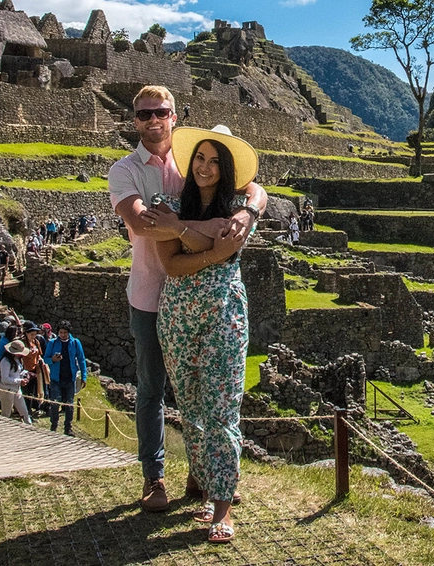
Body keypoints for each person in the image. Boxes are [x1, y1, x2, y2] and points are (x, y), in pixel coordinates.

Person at [108, 86, 266, 516]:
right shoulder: (124, 171)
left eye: (160, 112)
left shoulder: (196, 158)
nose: (152, 120)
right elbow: (144, 225)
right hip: (151, 293)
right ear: (134, 120)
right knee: (152, 387)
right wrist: (215, 235)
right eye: (144, 115)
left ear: (174, 116)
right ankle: (153, 476)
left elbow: (256, 189)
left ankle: (204, 476)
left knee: (205, 393)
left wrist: (246, 214)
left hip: (207, 300)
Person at [148, 124, 259, 543]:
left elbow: (240, 226)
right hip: (177, 317)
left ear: (226, 168)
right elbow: (171, 265)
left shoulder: (240, 209)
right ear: (189, 160)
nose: (205, 167)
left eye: (215, 161)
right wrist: (209, 246)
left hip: (224, 315)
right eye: (200, 158)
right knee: (191, 408)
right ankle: (207, 483)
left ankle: (223, 508)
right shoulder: (166, 204)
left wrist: (181, 230)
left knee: (223, 407)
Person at [45, 320, 88, 435]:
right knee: (55, 402)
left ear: (69, 332)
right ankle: (53, 425)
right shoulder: (52, 343)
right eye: (61, 332)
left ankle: (68, 427)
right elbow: (45, 359)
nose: (63, 335)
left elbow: (81, 359)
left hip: (70, 378)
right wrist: (53, 360)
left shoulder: (75, 343)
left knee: (69, 404)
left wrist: (84, 376)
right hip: (56, 378)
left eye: (65, 332)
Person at [0, 339, 33, 421]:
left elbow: (19, 371)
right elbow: (5, 379)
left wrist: (27, 374)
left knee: (25, 413)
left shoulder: (17, 360)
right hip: (7, 390)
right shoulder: (5, 361)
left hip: (17, 389)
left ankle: (29, 428)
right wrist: (20, 381)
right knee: (6, 414)